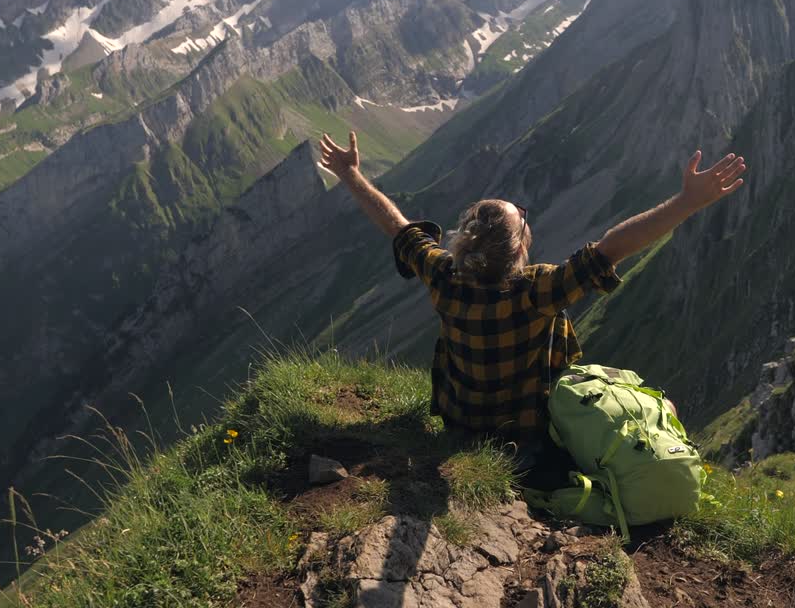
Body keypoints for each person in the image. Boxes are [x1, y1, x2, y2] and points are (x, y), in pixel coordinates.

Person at [318, 131, 746, 487]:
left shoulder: (444, 275)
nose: (526, 216)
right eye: (521, 217)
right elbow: (610, 249)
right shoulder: (537, 289)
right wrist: (687, 202)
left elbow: (397, 227)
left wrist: (350, 174)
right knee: (658, 405)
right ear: (520, 244)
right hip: (530, 443)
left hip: (460, 430)